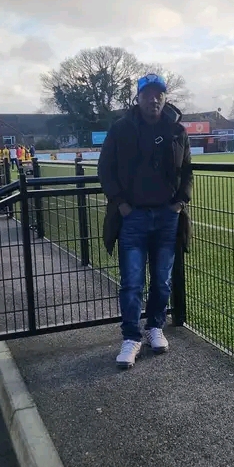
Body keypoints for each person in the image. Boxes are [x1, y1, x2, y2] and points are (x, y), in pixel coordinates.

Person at [99, 73, 193, 369]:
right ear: (137, 98)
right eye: (148, 94)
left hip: (167, 217)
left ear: (165, 98)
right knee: (132, 283)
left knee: (162, 281)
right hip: (133, 217)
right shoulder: (121, 129)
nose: (154, 99)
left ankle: (155, 327)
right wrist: (122, 204)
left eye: (159, 94)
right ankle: (131, 337)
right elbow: (105, 169)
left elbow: (187, 171)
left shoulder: (177, 130)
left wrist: (179, 203)